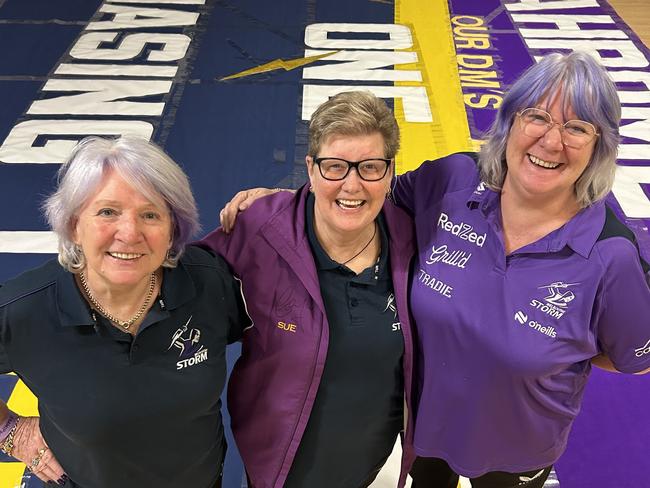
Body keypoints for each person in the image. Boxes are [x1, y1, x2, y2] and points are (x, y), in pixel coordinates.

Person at [221, 52, 650, 488]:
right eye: (537, 116)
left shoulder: (609, 255)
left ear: (600, 146)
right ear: (510, 121)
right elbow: (364, 197)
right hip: (425, 428)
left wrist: (561, 346)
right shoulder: (453, 179)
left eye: (577, 128)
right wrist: (292, 201)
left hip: (517, 448)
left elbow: (632, 357)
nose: (552, 141)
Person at [0, 136, 249, 488]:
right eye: (107, 212)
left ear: (173, 229)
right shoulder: (23, 309)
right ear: (73, 225)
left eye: (150, 214)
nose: (130, 233)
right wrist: (12, 432)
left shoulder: (210, 283)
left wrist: (283, 208)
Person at [199, 91, 416, 488]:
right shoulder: (259, 228)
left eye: (369, 167)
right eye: (335, 167)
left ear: (389, 172)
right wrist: (44, 406)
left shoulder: (411, 235)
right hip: (279, 465)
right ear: (311, 170)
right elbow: (171, 298)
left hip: (372, 461)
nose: (352, 185)